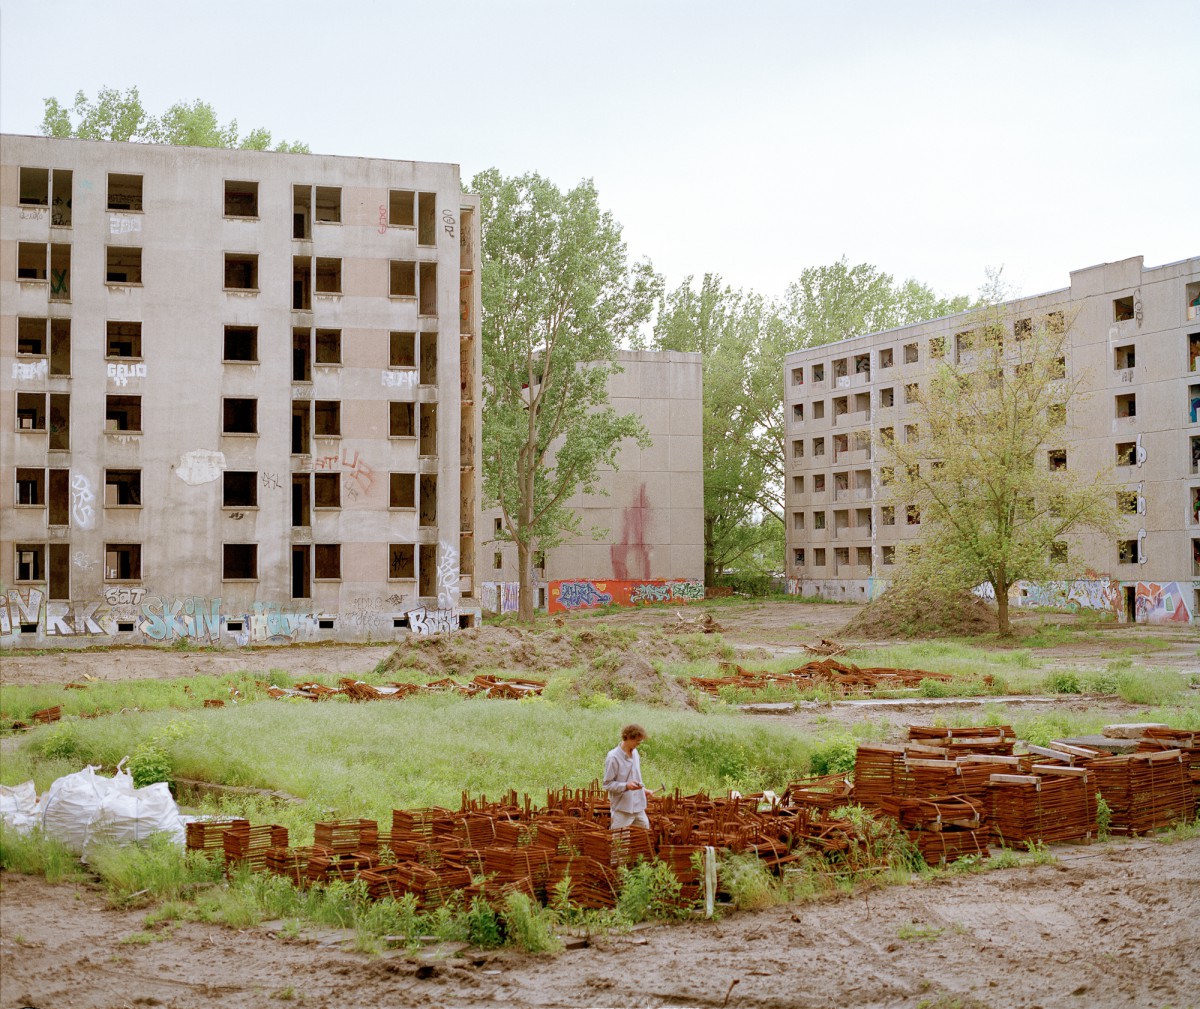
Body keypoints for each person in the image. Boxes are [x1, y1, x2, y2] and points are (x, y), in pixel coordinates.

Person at [604, 724, 653, 830]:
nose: (639, 744)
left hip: (638, 807)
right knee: (620, 839)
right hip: (622, 809)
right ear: (628, 738)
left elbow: (635, 778)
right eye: (637, 741)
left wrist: (643, 790)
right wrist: (626, 786)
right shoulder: (613, 757)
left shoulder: (635, 753)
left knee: (644, 835)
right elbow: (607, 784)